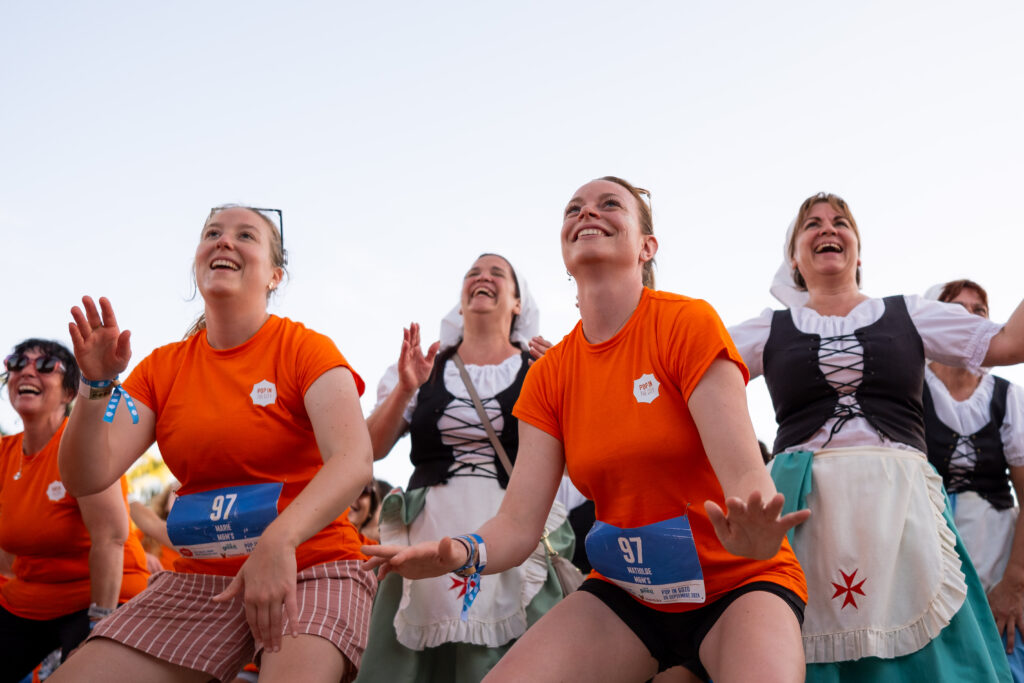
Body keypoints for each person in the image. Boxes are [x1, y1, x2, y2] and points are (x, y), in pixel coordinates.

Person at [364, 177, 810, 683]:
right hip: (627, 593)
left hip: (739, 582)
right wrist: (461, 552)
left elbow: (745, 475)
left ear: (647, 246)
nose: (586, 213)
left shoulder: (688, 323)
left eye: (609, 204)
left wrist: (755, 532)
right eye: (573, 208)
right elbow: (516, 524)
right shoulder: (550, 374)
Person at [50, 206, 376, 683]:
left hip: (311, 562)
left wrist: (278, 540)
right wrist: (94, 387)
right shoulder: (162, 369)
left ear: (275, 275)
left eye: (245, 235)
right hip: (201, 577)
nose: (224, 242)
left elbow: (354, 461)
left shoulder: (306, 349)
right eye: (212, 233)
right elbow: (85, 476)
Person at [729, 193, 1024, 681]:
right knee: (801, 648)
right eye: (812, 225)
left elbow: (1010, 343)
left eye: (840, 222)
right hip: (806, 504)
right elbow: (689, 374)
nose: (828, 229)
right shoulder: (767, 329)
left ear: (858, 253)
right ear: (795, 259)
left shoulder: (909, 313)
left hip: (899, 503)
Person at [357, 253, 572, 683]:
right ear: (460, 299)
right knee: (410, 664)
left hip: (513, 525)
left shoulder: (541, 367)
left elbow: (580, 454)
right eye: (473, 272)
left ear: (517, 303)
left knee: (509, 660)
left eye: (497, 273)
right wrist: (405, 388)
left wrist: (571, 386)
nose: (482, 277)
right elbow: (369, 450)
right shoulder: (427, 366)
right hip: (428, 525)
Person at [0, 339, 149, 682]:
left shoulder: (81, 445)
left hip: (104, 595)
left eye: (46, 365)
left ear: (69, 394)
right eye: (18, 362)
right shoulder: (5, 454)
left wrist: (101, 625)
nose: (28, 369)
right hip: (31, 599)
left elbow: (110, 538)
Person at [922, 279, 1024, 681]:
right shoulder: (909, 388)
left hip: (997, 551)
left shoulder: (1006, 396)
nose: (969, 316)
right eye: (956, 307)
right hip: (929, 555)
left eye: (979, 310)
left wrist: (1015, 582)